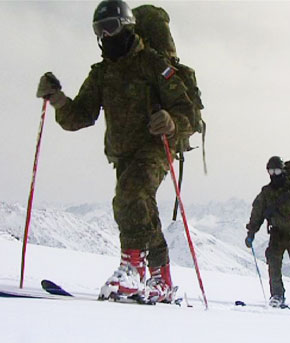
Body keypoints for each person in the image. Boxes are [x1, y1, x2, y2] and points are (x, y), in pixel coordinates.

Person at [36, 0, 196, 304]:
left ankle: (132, 270)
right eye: (100, 30)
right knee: (142, 208)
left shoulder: (152, 64)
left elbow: (188, 113)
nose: (106, 36)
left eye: (111, 27)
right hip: (123, 154)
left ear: (127, 26)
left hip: (155, 147)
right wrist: (56, 98)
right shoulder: (102, 73)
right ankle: (161, 280)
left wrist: (172, 122)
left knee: (130, 195)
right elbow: (80, 116)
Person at [244, 156, 290, 309]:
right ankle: (277, 295)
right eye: (270, 171)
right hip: (277, 233)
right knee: (273, 264)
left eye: (276, 170)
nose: (274, 174)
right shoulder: (266, 192)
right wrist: (251, 232)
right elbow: (257, 212)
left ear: (282, 170)